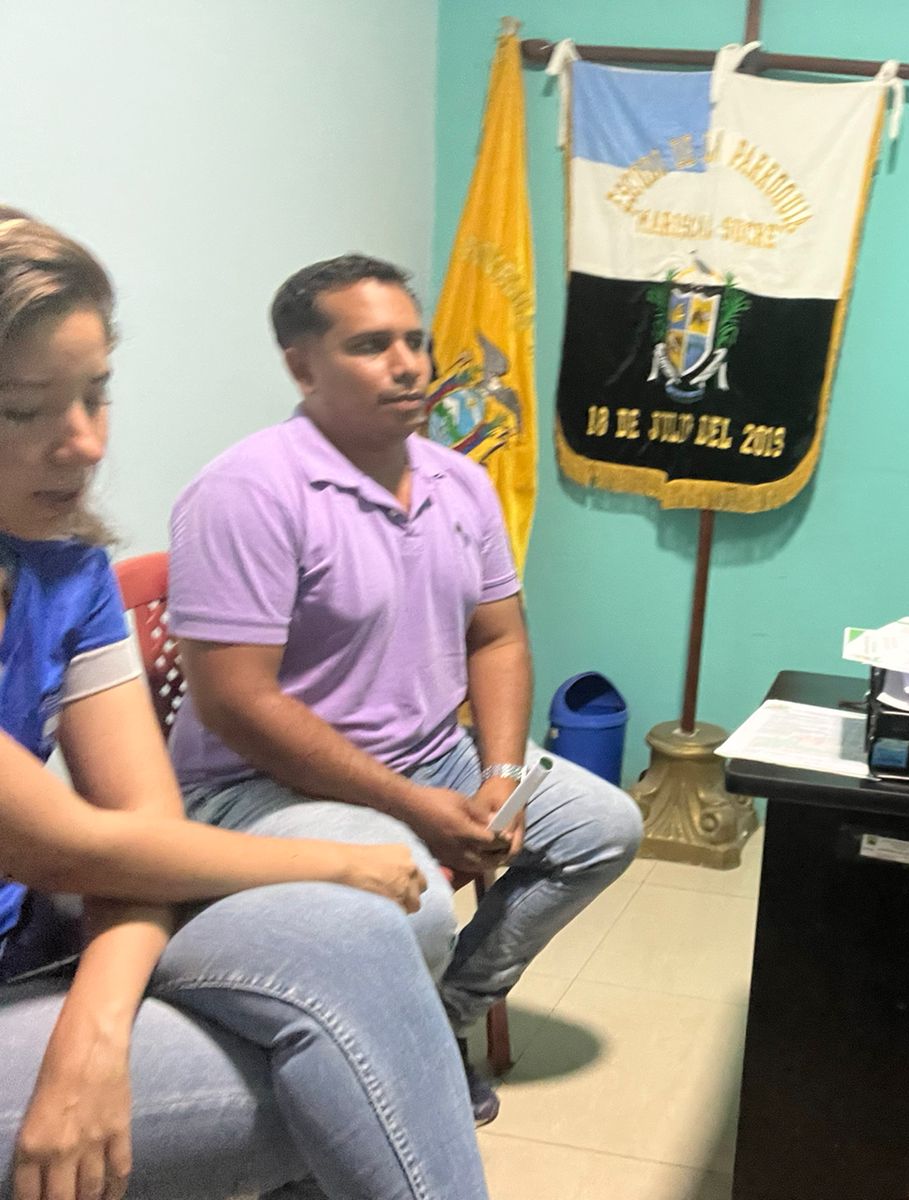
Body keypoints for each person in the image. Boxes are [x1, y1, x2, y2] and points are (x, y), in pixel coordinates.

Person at [0, 211, 490, 1198]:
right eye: (23, 409)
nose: (84, 443)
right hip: (179, 838)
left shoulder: (67, 572)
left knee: (360, 947)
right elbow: (62, 844)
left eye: (97, 394)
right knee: (358, 1077)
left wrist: (95, 1029)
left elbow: (139, 831)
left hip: (39, 943)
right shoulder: (253, 487)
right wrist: (336, 859)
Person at [167, 253, 644, 1123]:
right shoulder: (246, 491)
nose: (409, 365)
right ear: (302, 367)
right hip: (260, 786)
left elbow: (498, 637)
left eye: (415, 342)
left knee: (603, 827)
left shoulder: (460, 480)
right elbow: (238, 705)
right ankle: (389, 1070)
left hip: (434, 756)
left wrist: (500, 774)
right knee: (413, 904)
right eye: (371, 345)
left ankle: (437, 1020)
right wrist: (415, 807)